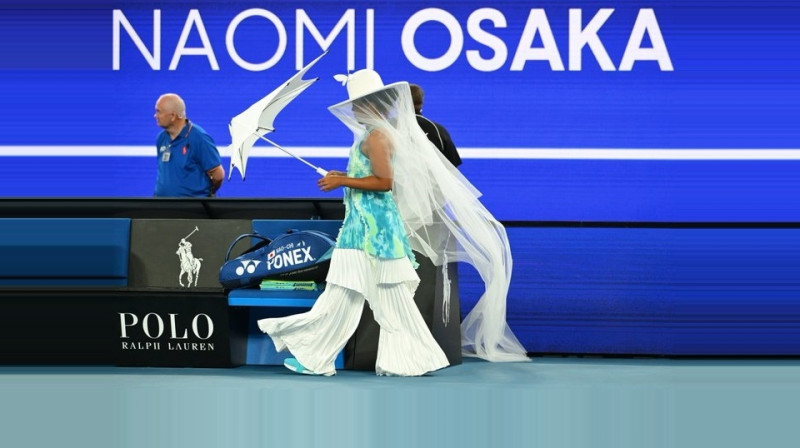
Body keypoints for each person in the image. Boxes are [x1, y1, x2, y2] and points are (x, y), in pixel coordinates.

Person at [257, 69, 528, 377]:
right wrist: (343, 178)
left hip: (371, 233)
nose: (355, 109)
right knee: (366, 297)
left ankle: (320, 357)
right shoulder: (375, 135)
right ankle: (395, 358)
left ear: (372, 105)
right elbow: (373, 179)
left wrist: (341, 180)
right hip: (369, 229)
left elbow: (385, 182)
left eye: (359, 104)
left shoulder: (377, 137)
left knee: (353, 295)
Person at [153, 93, 224, 197]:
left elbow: (218, 175)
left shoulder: (199, 138)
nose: (155, 115)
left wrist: (204, 194)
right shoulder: (161, 138)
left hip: (192, 209)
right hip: (163, 206)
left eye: (159, 111)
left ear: (173, 116)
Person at [409, 83, 462, 167]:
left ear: (400, 101)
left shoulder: (389, 128)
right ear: (422, 102)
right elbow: (452, 165)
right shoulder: (438, 130)